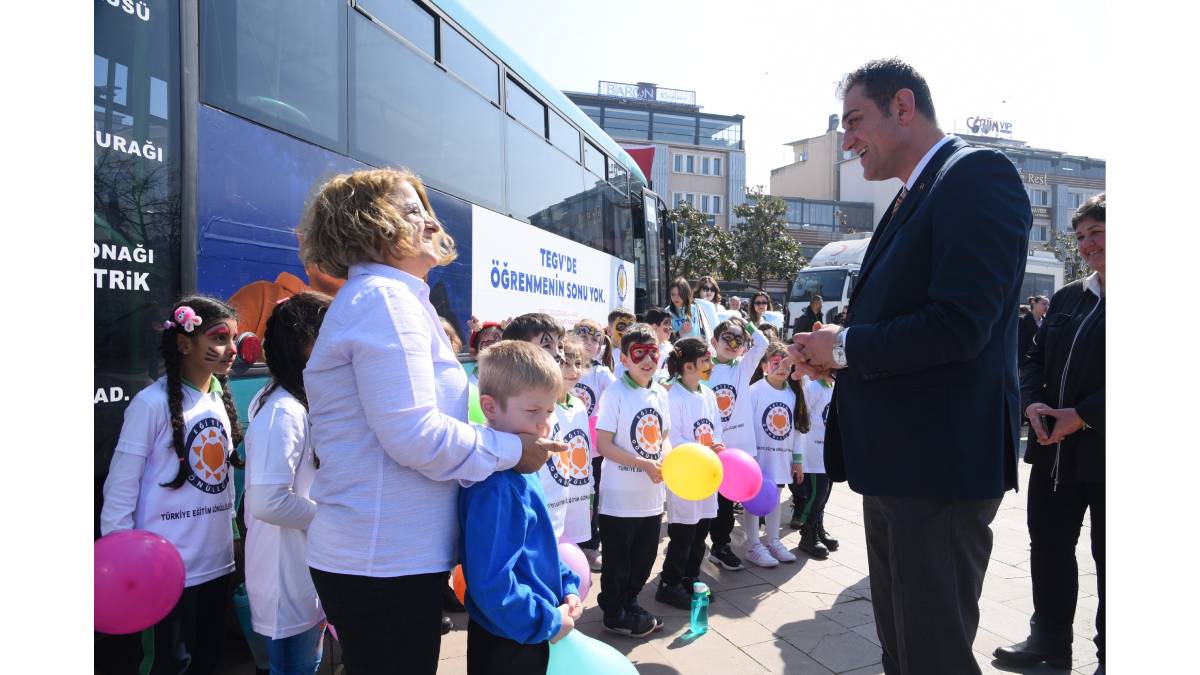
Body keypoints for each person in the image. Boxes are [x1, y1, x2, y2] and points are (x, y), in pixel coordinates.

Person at [790, 59, 1031, 675]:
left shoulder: (975, 176)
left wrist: (843, 348)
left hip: (939, 471)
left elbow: (960, 324)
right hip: (902, 467)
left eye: (854, 121)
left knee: (933, 656)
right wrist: (833, 355)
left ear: (903, 107)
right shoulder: (912, 196)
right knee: (904, 650)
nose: (846, 140)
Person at [297, 168, 561, 674]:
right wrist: (513, 451)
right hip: (381, 563)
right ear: (368, 224)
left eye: (423, 207)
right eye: (409, 209)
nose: (428, 219)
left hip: (390, 559)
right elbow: (413, 433)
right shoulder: (385, 300)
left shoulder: (395, 298)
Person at [100, 296, 246, 675]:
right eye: (218, 339)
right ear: (184, 343)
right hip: (163, 571)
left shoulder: (219, 398)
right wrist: (122, 560)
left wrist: (232, 536)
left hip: (216, 564)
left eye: (233, 339)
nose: (231, 350)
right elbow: (121, 484)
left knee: (208, 660)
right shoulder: (150, 404)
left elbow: (222, 483)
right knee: (170, 664)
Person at [994, 194, 1105, 674]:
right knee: (1050, 546)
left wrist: (1082, 414)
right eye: (1080, 236)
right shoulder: (1067, 297)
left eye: (1097, 232)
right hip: (1054, 453)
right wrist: (1034, 400)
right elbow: (1033, 360)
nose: (1086, 245)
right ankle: (1050, 642)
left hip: (1107, 453)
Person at [459, 341, 583, 674]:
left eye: (550, 410)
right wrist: (546, 621)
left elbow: (537, 547)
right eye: (533, 412)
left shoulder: (521, 467)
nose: (545, 423)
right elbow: (492, 583)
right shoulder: (496, 486)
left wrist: (566, 585)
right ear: (490, 406)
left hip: (528, 628)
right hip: (508, 641)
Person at [244, 292, 331, 675]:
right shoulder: (283, 411)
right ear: (302, 344)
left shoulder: (296, 401)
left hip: (304, 565)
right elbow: (267, 502)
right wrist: (332, 517)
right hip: (287, 575)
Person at [594, 324, 671, 637]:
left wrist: (666, 458)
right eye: (639, 353)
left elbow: (664, 436)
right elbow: (604, 445)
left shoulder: (660, 394)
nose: (647, 359)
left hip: (651, 497)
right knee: (618, 560)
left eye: (652, 352)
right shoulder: (615, 393)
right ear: (624, 358)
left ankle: (631, 602)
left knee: (644, 557)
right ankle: (613, 612)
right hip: (619, 498)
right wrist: (642, 463)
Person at [656, 337, 724, 609]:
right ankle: (669, 583)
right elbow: (675, 437)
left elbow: (716, 427)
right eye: (705, 360)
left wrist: (717, 445)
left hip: (707, 474)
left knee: (701, 531)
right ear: (687, 366)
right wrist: (701, 451)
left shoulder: (707, 394)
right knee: (683, 533)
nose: (711, 365)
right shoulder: (674, 396)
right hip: (685, 476)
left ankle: (691, 578)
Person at [705, 316, 770, 571]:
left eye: (738, 340)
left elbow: (763, 342)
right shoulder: (703, 368)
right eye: (727, 338)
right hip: (713, 448)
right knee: (714, 502)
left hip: (739, 449)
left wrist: (746, 322)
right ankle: (708, 546)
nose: (732, 344)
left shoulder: (742, 367)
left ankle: (721, 547)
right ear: (714, 341)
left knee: (729, 502)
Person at [503, 313, 572, 539]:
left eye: (559, 345)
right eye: (546, 345)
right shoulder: (514, 411)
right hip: (527, 529)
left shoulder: (553, 401)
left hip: (553, 524)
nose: (559, 354)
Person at [743, 343, 809, 567]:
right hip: (758, 458)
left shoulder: (793, 393)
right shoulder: (754, 391)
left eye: (785, 363)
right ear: (764, 366)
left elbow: (797, 431)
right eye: (775, 363)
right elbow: (747, 427)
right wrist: (749, 457)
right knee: (753, 501)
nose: (781, 368)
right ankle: (753, 545)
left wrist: (797, 460)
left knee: (774, 498)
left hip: (781, 458)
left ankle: (772, 540)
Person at [571, 318, 617, 571]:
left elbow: (618, 393)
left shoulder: (600, 372)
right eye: (583, 337)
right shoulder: (563, 367)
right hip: (567, 445)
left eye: (594, 339)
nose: (588, 344)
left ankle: (590, 545)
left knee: (593, 496)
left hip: (594, 450)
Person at [555, 337, 596, 548]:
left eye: (578, 364)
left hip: (578, 500)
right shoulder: (543, 407)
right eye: (565, 363)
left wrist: (589, 496)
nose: (573, 370)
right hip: (554, 504)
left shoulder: (579, 405)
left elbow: (585, 455)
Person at [792, 372, 838, 558]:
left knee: (824, 495)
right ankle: (807, 535)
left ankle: (818, 528)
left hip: (828, 453)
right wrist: (798, 457)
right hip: (812, 454)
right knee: (816, 495)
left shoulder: (833, 387)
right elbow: (800, 421)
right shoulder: (813, 388)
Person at [1018, 294, 1049, 367]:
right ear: (1034, 303)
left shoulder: (1047, 322)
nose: (1047, 307)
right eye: (1044, 304)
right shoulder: (1022, 321)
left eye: (1048, 304)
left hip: (1043, 363)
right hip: (1026, 363)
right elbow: (1020, 345)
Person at [607, 308, 636, 380]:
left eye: (631, 326)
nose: (627, 331)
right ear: (609, 330)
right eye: (621, 327)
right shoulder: (600, 355)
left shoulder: (638, 354)